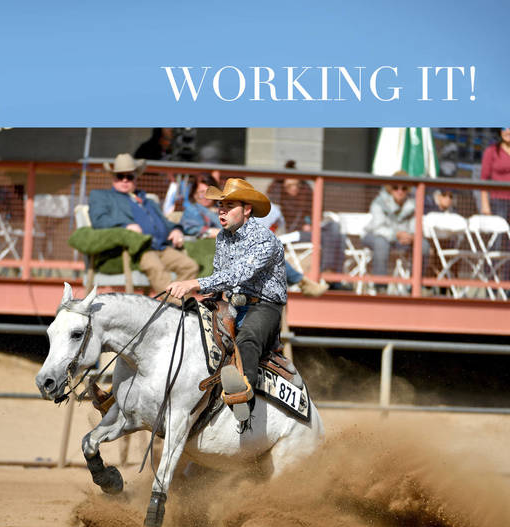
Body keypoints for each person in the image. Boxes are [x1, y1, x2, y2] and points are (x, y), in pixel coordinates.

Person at [166, 178, 286, 424]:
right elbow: (222, 276)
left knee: (248, 339)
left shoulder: (264, 239)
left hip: (263, 305)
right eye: (220, 205)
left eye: (229, 205)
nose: (222, 210)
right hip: (231, 303)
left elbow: (237, 274)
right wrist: (207, 299)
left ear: (247, 209)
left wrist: (193, 284)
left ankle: (243, 402)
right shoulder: (222, 237)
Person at [88, 154, 199, 296]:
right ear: (113, 178)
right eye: (120, 176)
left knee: (190, 266)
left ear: (136, 178)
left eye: (129, 177)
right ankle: (176, 307)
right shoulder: (102, 196)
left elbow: (166, 222)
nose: (124, 180)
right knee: (156, 268)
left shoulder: (148, 201)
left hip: (161, 247)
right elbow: (98, 220)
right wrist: (125, 226)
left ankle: (177, 305)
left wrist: (176, 230)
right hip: (137, 249)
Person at [266, 161, 346, 281]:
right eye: (289, 186)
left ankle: (331, 274)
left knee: (335, 230)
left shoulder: (304, 196)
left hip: (307, 232)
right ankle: (328, 275)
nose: (294, 188)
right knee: (332, 236)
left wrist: (309, 223)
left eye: (297, 185)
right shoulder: (277, 202)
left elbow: (312, 213)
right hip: (291, 234)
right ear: (283, 186)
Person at [362, 171, 431, 277]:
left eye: (404, 188)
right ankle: (380, 286)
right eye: (395, 187)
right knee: (381, 243)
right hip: (376, 236)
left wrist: (411, 237)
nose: (400, 191)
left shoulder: (413, 204)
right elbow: (378, 228)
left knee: (423, 244)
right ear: (390, 189)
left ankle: (415, 286)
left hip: (403, 239)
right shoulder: (379, 202)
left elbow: (415, 227)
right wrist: (396, 235)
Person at [480, 128, 510, 221]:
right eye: (504, 128)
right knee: (498, 234)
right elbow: (483, 179)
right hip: (498, 201)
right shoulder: (491, 151)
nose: (508, 131)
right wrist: (485, 204)